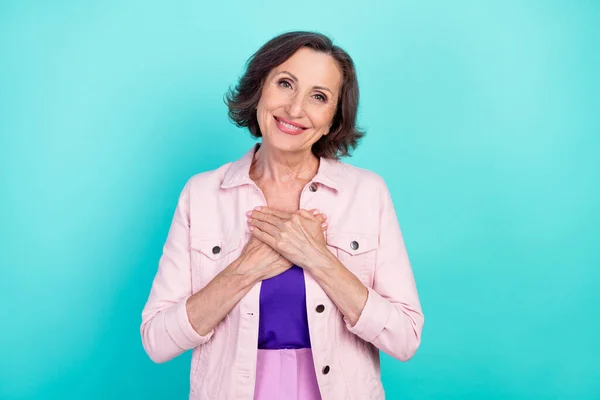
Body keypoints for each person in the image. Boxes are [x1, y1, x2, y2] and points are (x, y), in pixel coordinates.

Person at [140, 31, 424, 400]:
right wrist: (246, 269)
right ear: (260, 87)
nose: (294, 109)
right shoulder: (202, 194)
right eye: (285, 83)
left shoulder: (367, 194)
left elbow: (405, 338)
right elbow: (157, 341)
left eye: (319, 96)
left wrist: (318, 258)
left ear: (334, 116)